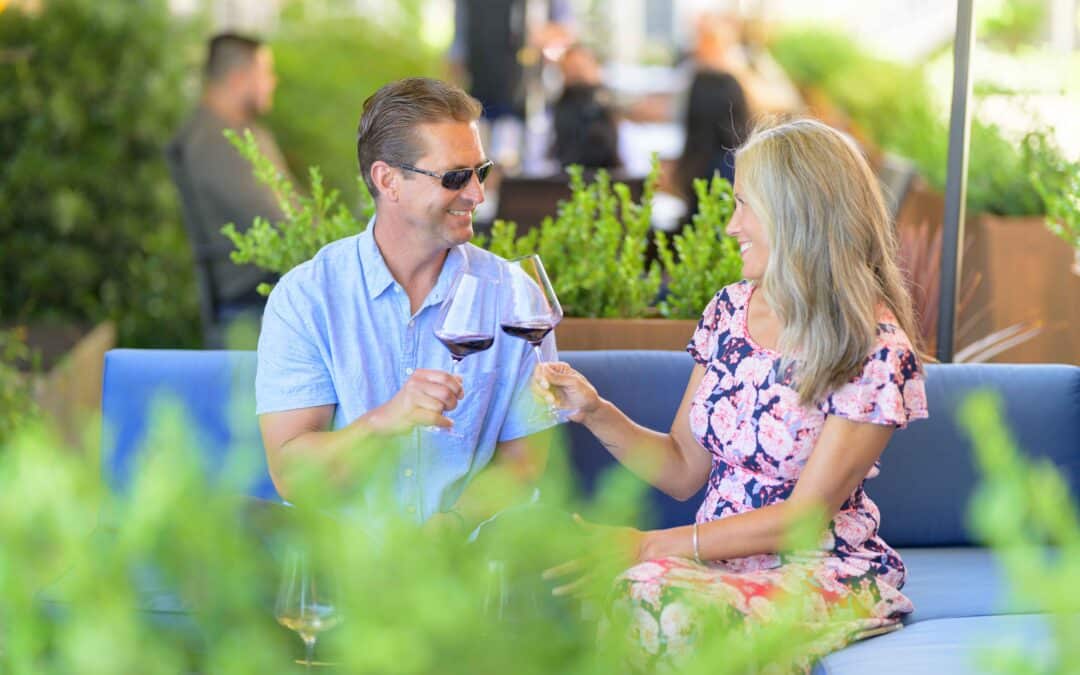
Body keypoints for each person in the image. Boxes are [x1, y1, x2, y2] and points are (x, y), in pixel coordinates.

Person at [539, 118, 929, 670]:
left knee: (655, 596)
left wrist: (648, 545)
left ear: (797, 215)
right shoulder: (729, 310)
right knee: (627, 589)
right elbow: (680, 470)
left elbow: (801, 519)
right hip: (713, 565)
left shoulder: (875, 348)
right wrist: (594, 411)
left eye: (745, 205)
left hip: (816, 570)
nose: (730, 226)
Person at [255, 78, 558, 528]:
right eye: (456, 176)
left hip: (470, 571)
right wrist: (385, 420)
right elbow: (293, 476)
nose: (477, 193)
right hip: (342, 571)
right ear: (388, 180)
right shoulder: (307, 298)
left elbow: (524, 463)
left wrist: (453, 528)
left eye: (482, 172)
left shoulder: (512, 295)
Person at [169, 32, 289, 338]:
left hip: (272, 290)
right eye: (266, 73)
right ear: (238, 79)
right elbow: (278, 221)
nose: (273, 82)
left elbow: (293, 206)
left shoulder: (244, 131)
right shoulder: (212, 140)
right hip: (252, 302)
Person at [550, 44, 620, 171]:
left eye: (580, 68)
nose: (576, 74)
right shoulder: (560, 107)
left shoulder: (607, 104)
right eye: (570, 69)